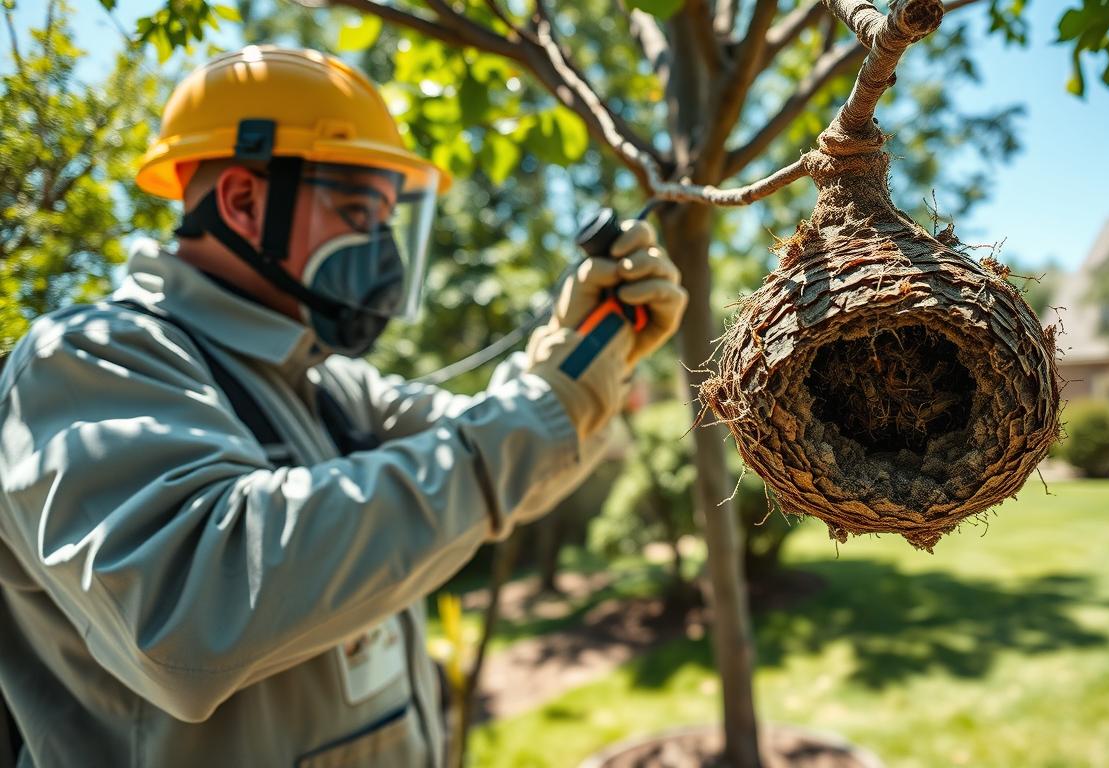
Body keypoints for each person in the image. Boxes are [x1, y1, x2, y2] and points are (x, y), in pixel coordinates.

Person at [0, 45, 687, 767]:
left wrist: (580, 350)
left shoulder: (329, 385)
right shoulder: (84, 364)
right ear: (242, 201)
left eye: (389, 220)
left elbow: (483, 440)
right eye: (358, 210)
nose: (382, 250)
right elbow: (188, 615)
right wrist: (541, 412)